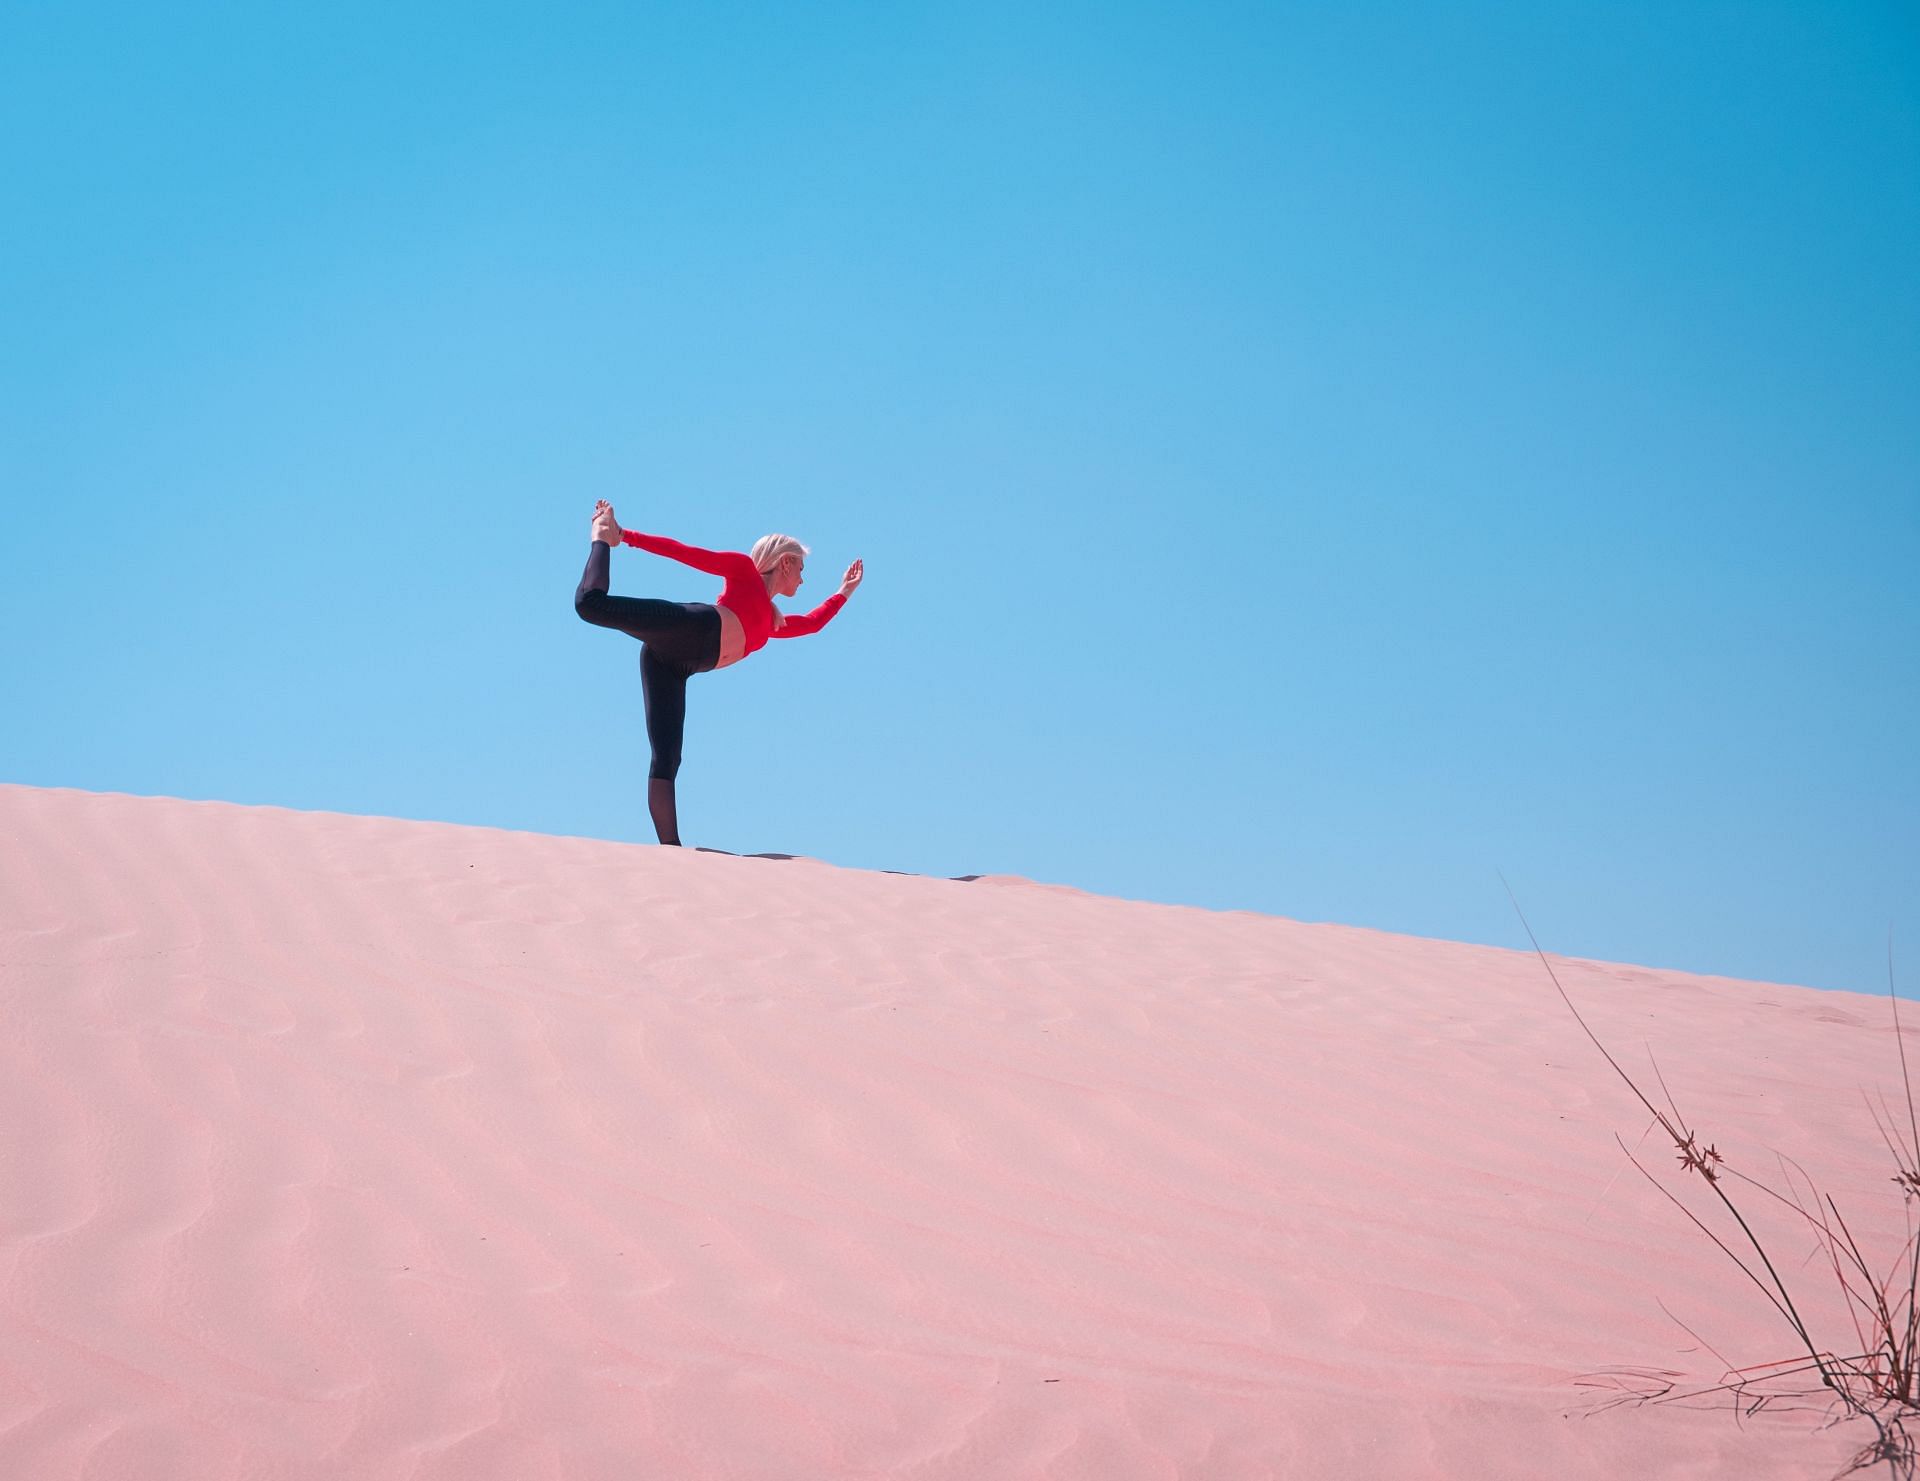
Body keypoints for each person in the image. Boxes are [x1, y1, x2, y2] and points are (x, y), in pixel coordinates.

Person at [574, 499, 864, 846]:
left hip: (672, 664)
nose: (803, 579)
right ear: (785, 562)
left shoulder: (771, 622)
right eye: (800, 568)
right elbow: (689, 554)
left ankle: (671, 850)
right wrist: (627, 536)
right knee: (590, 605)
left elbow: (813, 623)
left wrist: (844, 591)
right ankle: (602, 536)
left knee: (667, 757)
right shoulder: (744, 573)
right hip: (688, 628)